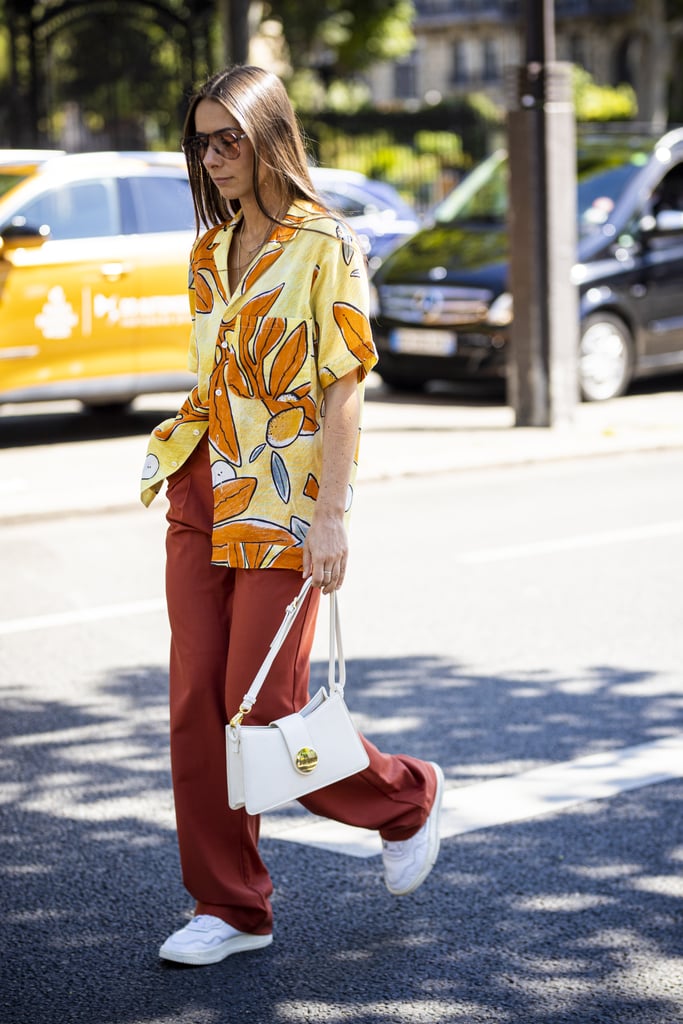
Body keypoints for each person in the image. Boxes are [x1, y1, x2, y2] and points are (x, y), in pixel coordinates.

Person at [140, 64, 444, 968]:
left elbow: (342, 388)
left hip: (284, 506)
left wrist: (332, 514)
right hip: (202, 493)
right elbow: (214, 379)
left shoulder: (325, 246)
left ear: (271, 136)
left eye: (229, 138)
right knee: (195, 706)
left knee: (263, 710)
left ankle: (404, 798)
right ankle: (230, 907)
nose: (214, 155)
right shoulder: (208, 250)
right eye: (202, 139)